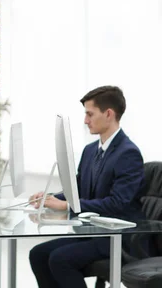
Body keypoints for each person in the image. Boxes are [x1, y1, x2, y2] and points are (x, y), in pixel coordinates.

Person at [28, 85, 145, 288]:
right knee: (38, 254)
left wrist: (66, 206)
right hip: (94, 233)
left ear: (109, 114)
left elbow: (118, 204)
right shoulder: (91, 151)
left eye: (90, 114)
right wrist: (50, 198)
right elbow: (78, 191)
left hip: (119, 238)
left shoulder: (128, 154)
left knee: (60, 259)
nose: (85, 120)